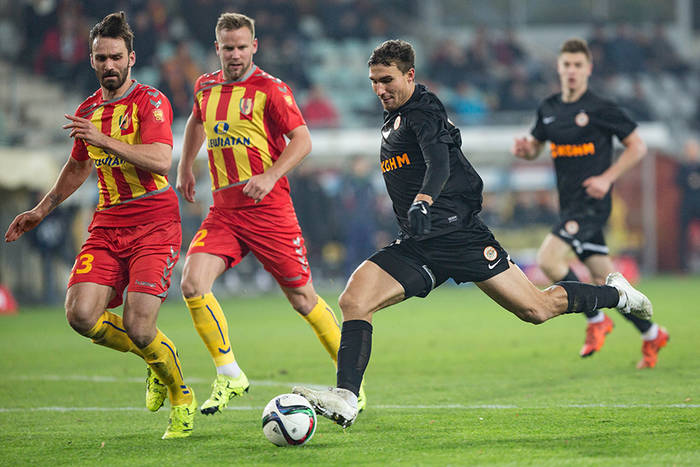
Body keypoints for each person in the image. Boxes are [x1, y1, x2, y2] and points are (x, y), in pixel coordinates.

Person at [292, 39, 653, 428]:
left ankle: (618, 294)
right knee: (354, 299)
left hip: (459, 236)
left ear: (410, 75)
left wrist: (424, 200)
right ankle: (347, 398)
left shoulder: (423, 111)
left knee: (537, 309)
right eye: (373, 82)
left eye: (387, 80)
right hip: (419, 242)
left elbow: (439, 161)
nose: (379, 89)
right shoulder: (393, 117)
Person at [4, 12, 196, 439]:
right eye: (101, 58)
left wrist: (104, 139)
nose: (109, 65)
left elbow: (161, 160)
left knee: (140, 326)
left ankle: (181, 396)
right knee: (80, 315)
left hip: (154, 221)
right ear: (91, 60)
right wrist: (41, 209)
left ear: (131, 58)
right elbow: (77, 167)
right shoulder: (87, 111)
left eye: (116, 57)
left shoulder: (150, 102)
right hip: (108, 223)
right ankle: (154, 358)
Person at [175, 12, 365, 416]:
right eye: (228, 48)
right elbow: (196, 120)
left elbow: (303, 140)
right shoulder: (205, 85)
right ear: (217, 48)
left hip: (269, 210)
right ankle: (229, 373)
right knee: (192, 282)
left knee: (302, 299)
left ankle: (352, 385)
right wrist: (185, 166)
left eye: (242, 47)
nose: (235, 54)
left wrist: (270, 174)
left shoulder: (270, 89)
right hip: (225, 211)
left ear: (254, 47)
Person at [511, 38, 668, 369]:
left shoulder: (600, 108)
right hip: (569, 205)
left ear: (588, 69)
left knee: (548, 260)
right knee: (610, 280)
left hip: (592, 206)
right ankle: (652, 333)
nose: (572, 71)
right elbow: (536, 147)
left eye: (578, 65)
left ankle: (596, 319)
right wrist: (527, 150)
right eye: (566, 65)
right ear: (559, 68)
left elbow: (637, 147)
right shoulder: (549, 108)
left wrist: (607, 178)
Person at [676, 138, 700, 272]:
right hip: (687, 205)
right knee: (683, 235)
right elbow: (677, 181)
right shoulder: (682, 167)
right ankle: (683, 266)